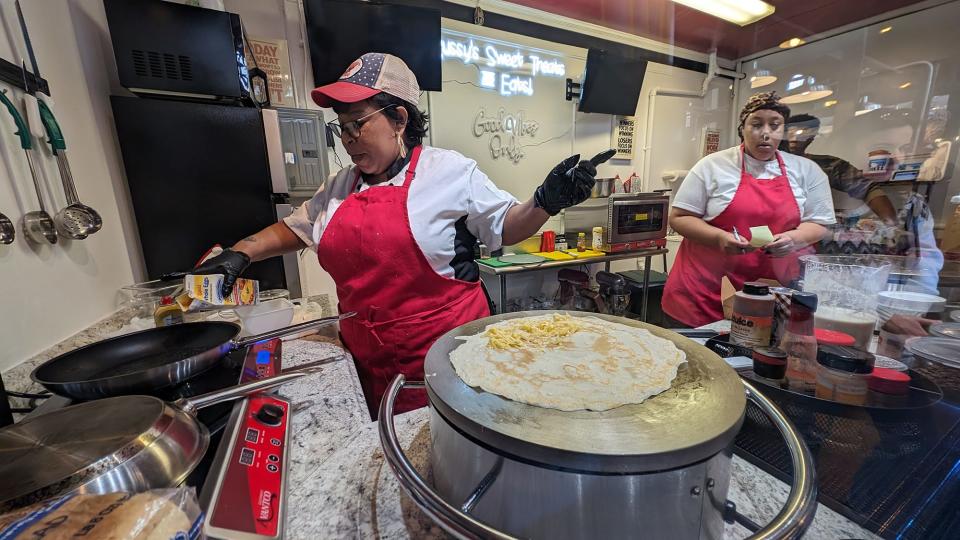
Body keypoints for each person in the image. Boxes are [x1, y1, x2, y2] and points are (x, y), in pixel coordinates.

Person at [183, 53, 603, 418]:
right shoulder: (341, 185)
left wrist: (545, 201)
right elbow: (296, 228)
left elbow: (507, 226)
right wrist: (242, 252)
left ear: (399, 119)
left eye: (357, 125)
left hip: (446, 361)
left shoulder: (449, 172)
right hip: (367, 359)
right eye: (341, 128)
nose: (347, 141)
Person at [662, 92, 835, 327]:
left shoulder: (807, 171)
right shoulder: (713, 166)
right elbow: (679, 217)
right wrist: (719, 238)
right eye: (756, 124)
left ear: (782, 131)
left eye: (774, 126)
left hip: (771, 296)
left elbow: (820, 223)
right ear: (742, 128)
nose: (765, 133)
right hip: (703, 294)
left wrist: (793, 239)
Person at [781, 114, 898, 224]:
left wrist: (890, 226)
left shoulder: (829, 165)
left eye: (802, 132)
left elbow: (868, 189)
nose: (794, 138)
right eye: (788, 132)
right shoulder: (766, 164)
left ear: (812, 137)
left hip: (809, 230)